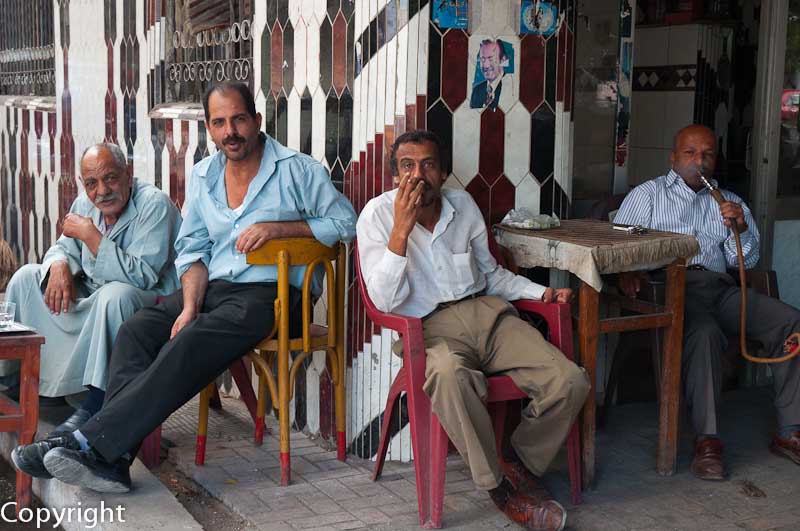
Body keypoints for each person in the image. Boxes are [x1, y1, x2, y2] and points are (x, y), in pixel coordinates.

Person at [10, 81, 357, 493]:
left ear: (256, 120)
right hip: (214, 290)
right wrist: (189, 305)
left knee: (189, 341)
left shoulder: (297, 170)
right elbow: (192, 249)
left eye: (239, 119)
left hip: (277, 295)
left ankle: (88, 441)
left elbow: (345, 225)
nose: (231, 131)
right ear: (209, 129)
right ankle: (112, 456)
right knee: (137, 330)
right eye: (220, 122)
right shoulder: (205, 175)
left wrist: (279, 228)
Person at [357, 130, 589, 531]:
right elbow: (383, 302)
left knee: (570, 380)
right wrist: (401, 229)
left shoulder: (462, 206)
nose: (417, 176)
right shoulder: (376, 217)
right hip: (427, 330)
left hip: (488, 316)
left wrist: (543, 292)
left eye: (428, 165)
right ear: (394, 175)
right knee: (448, 374)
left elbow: (491, 275)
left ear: (444, 172)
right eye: (406, 167)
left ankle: (517, 460)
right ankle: (498, 488)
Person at [614, 124, 800, 481]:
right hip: (670, 289)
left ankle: (790, 429)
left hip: (721, 289)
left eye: (708, 154)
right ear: (673, 158)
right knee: (704, 333)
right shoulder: (649, 195)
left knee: (790, 320)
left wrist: (740, 229)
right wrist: (628, 272)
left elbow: (743, 263)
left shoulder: (729, 203)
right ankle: (708, 441)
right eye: (690, 153)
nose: (700, 161)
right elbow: (620, 248)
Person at [1, 143, 181, 432]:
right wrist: (59, 264)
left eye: (110, 178)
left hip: (148, 301)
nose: (102, 191)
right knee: (26, 278)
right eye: (92, 183)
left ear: (128, 174)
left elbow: (144, 275)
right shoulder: (86, 204)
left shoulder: (154, 204)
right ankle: (13, 383)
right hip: (95, 295)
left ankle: (95, 402)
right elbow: (63, 247)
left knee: (114, 297)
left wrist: (92, 236)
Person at [470, 39, 507, 110]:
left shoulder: (510, 87)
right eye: (482, 59)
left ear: (502, 60)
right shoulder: (476, 91)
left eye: (491, 59)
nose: (486, 65)